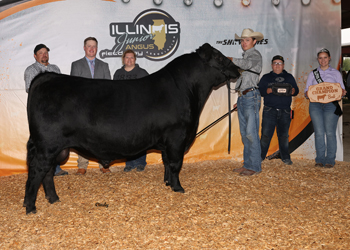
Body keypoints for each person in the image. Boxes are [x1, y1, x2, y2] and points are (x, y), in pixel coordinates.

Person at [24, 44, 68, 177]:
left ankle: (55, 168)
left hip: (56, 111)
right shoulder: (31, 70)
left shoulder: (55, 68)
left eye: (46, 52)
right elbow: (31, 90)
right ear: (35, 56)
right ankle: (42, 170)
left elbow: (61, 90)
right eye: (41, 53)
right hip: (41, 111)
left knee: (56, 139)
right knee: (42, 140)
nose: (44, 55)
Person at [70, 37, 112, 175]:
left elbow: (109, 87)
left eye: (94, 46)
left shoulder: (104, 65)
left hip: (101, 107)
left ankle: (104, 164)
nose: (91, 49)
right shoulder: (76, 65)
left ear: (97, 48)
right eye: (89, 46)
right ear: (84, 48)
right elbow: (74, 88)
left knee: (103, 135)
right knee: (83, 136)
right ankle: (82, 165)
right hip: (84, 108)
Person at [304, 48, 346, 168]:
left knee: (330, 133)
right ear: (318, 59)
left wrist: (342, 92)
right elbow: (307, 91)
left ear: (329, 58)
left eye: (325, 57)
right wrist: (307, 94)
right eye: (320, 58)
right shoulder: (313, 74)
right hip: (315, 105)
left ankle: (330, 160)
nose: (323, 60)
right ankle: (320, 159)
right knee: (319, 133)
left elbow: (341, 90)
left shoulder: (336, 73)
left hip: (330, 105)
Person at [231, 28, 263, 176]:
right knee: (245, 134)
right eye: (242, 40)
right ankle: (247, 164)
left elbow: (245, 65)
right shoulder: (246, 57)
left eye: (247, 40)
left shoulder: (254, 55)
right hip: (245, 97)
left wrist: (230, 60)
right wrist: (240, 99)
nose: (244, 43)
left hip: (251, 96)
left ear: (254, 41)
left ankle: (255, 167)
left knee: (251, 133)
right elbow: (244, 78)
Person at [258, 55, 299, 165]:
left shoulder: (289, 77)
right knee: (265, 136)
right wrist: (267, 90)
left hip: (285, 111)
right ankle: (260, 157)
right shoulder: (266, 77)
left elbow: (296, 91)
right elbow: (260, 91)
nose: (277, 65)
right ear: (271, 65)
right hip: (269, 110)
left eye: (279, 63)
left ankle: (285, 157)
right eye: (275, 63)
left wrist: (293, 90)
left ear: (283, 65)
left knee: (284, 136)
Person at [113, 49, 149, 172]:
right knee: (126, 137)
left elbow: (149, 91)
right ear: (123, 59)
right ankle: (129, 162)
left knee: (140, 136)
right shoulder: (118, 74)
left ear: (135, 59)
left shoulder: (142, 73)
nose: (129, 60)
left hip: (139, 110)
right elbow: (114, 93)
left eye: (132, 57)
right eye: (127, 57)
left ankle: (140, 162)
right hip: (123, 110)